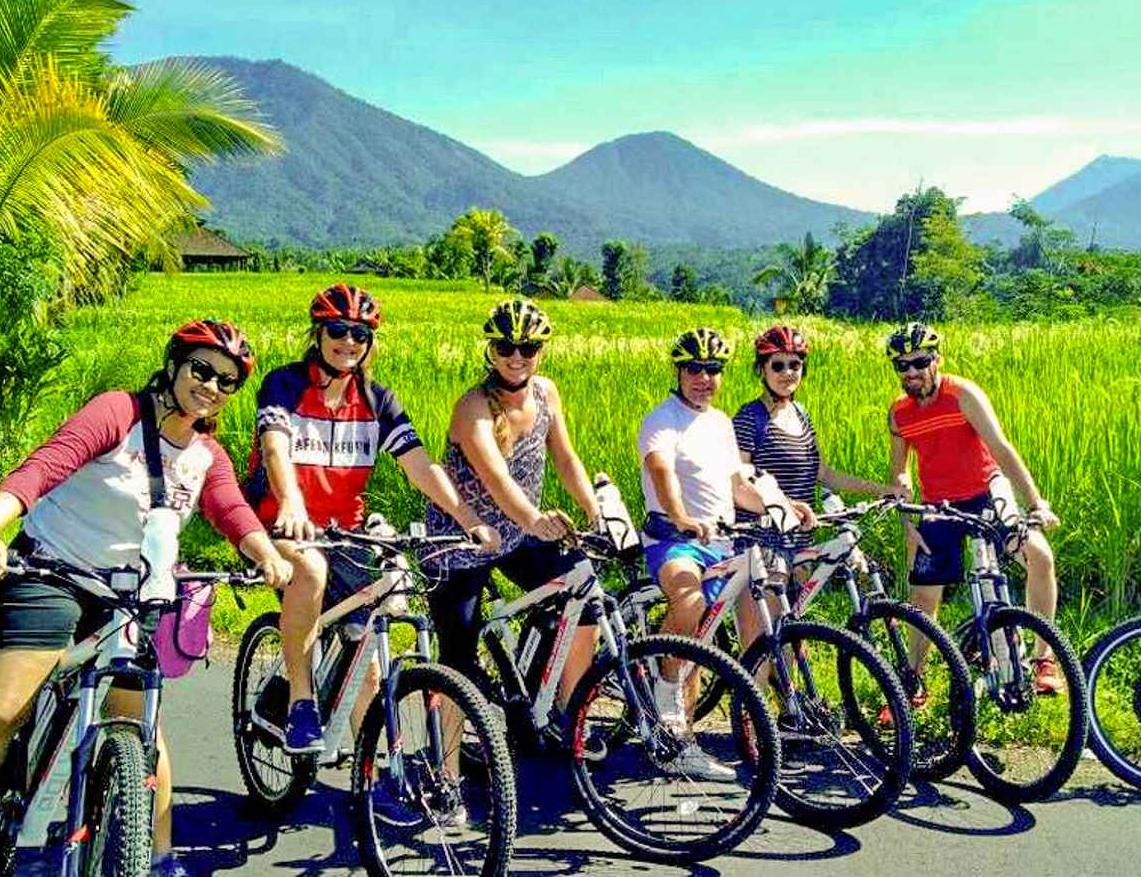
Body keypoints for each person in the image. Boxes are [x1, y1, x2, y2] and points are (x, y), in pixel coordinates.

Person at [0, 320, 295, 877]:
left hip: (129, 595)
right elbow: (45, 466)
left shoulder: (206, 456)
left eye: (228, 381)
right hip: (49, 569)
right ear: (174, 365)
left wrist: (267, 555)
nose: (212, 386)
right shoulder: (117, 412)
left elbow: (231, 511)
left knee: (141, 723)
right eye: (202, 369)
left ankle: (161, 857)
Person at [242, 284, 497, 757]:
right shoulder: (286, 384)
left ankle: (372, 772)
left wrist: (468, 518)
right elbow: (275, 446)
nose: (348, 341)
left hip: (345, 531)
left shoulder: (378, 401)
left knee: (368, 649)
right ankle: (301, 701)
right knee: (311, 571)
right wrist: (292, 503)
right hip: (281, 524)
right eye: (337, 330)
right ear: (317, 333)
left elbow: (419, 464)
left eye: (360, 333)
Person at [423, 299, 601, 745]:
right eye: (505, 346)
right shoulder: (473, 407)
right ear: (491, 348)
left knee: (583, 598)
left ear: (541, 350)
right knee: (458, 663)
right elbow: (495, 478)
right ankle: (443, 771)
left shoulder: (546, 392)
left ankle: (564, 714)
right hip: (462, 540)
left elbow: (564, 457)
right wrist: (536, 518)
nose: (516, 356)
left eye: (527, 346)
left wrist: (594, 511)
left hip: (517, 536)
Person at [885, 321, 1066, 694]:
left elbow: (1001, 448)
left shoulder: (963, 394)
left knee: (1039, 556)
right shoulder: (899, 413)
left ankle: (1043, 660)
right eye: (902, 365)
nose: (911, 372)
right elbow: (899, 473)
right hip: (939, 504)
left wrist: (1035, 502)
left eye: (919, 362)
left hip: (987, 492)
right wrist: (908, 522)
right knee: (922, 597)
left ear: (937, 360)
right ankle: (912, 683)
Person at [637, 327, 775, 779]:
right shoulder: (662, 419)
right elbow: (661, 471)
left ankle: (683, 743)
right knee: (691, 604)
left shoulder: (719, 423)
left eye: (713, 370)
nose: (704, 377)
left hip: (719, 541)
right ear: (678, 371)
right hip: (672, 540)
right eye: (694, 369)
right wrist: (679, 516)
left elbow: (738, 482)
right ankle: (663, 684)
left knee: (704, 640)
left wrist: (781, 506)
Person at [732, 325, 901, 545]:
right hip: (760, 545)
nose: (787, 373)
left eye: (795, 364)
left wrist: (881, 490)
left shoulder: (801, 415)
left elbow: (824, 474)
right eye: (778, 365)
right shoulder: (749, 418)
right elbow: (738, 486)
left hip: (801, 540)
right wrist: (785, 506)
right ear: (762, 369)